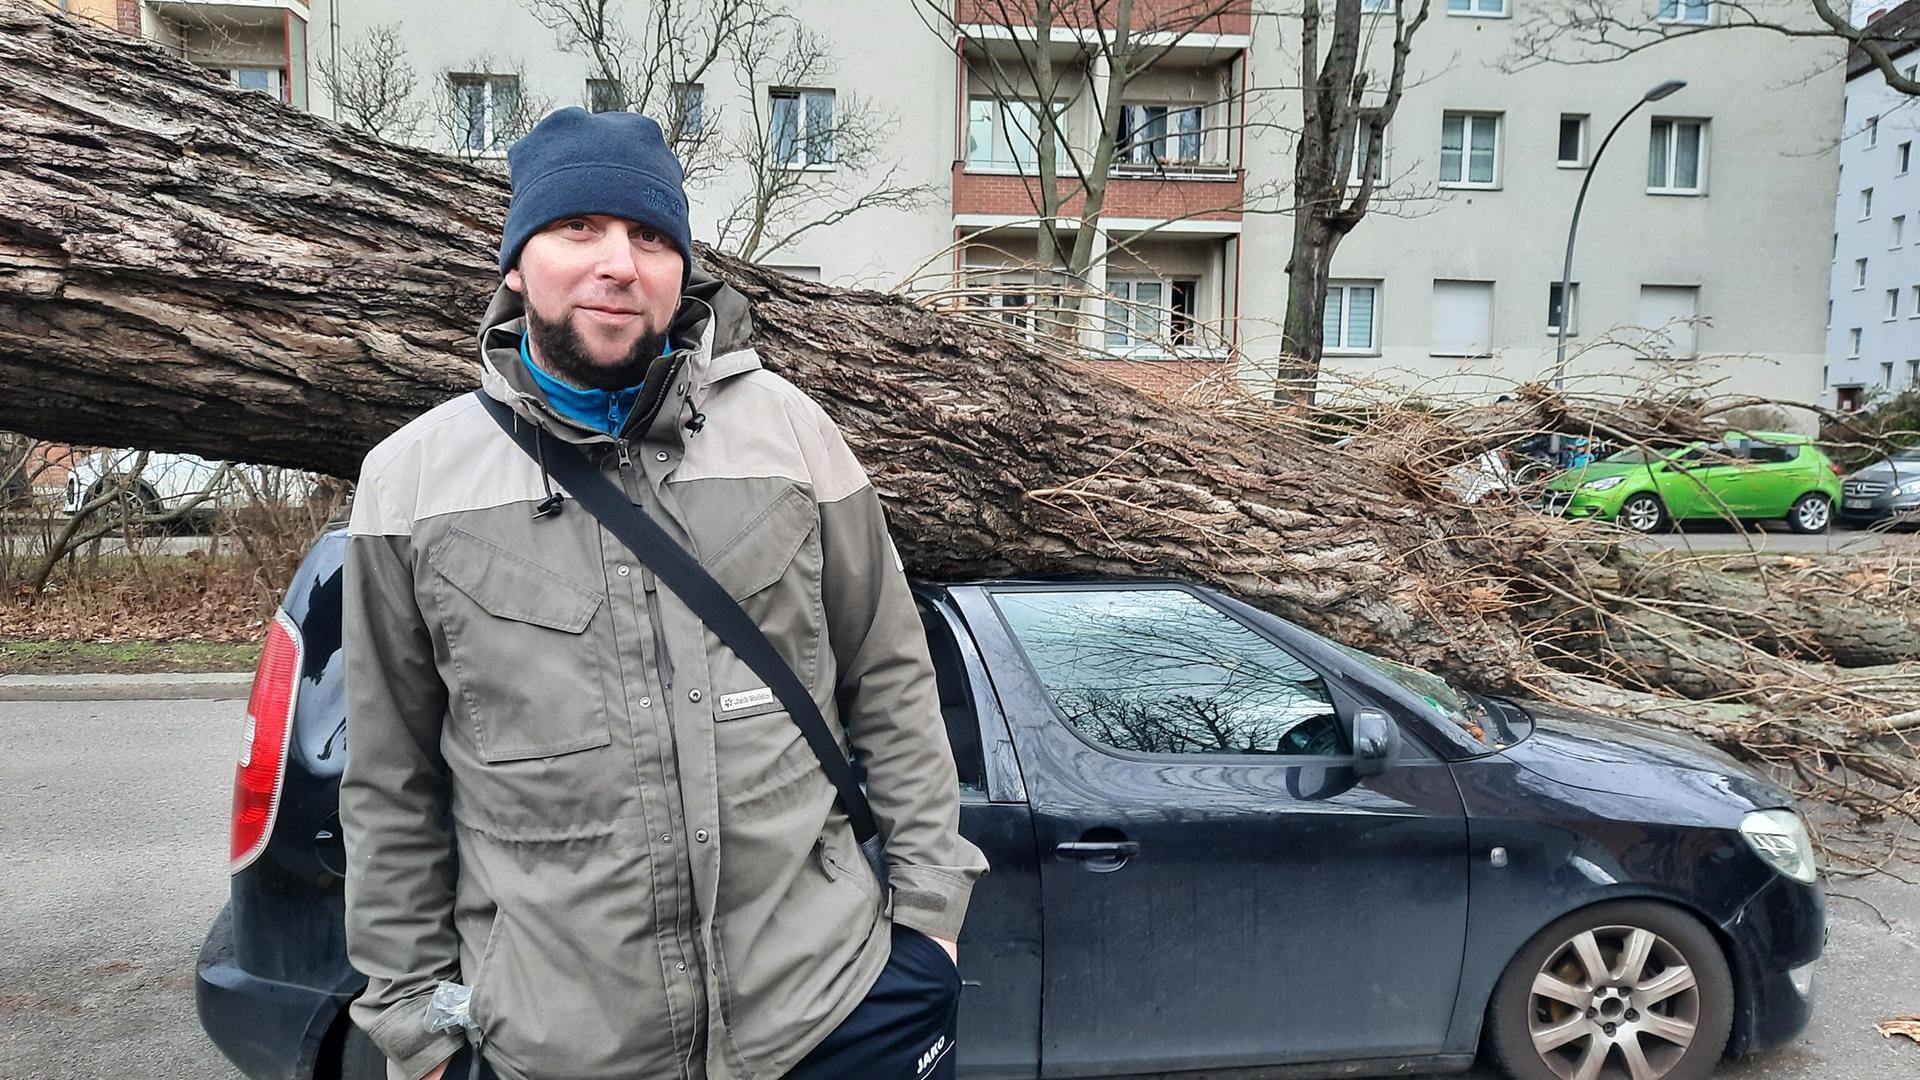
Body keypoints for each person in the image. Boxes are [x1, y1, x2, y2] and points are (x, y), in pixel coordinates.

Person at [340, 107, 988, 1080]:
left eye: (650, 236)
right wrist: (418, 1032)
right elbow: (391, 783)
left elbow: (892, 676)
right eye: (578, 228)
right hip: (557, 1048)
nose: (618, 262)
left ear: (683, 270)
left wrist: (930, 926)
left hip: (827, 1019)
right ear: (517, 264)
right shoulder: (412, 484)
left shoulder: (791, 437)